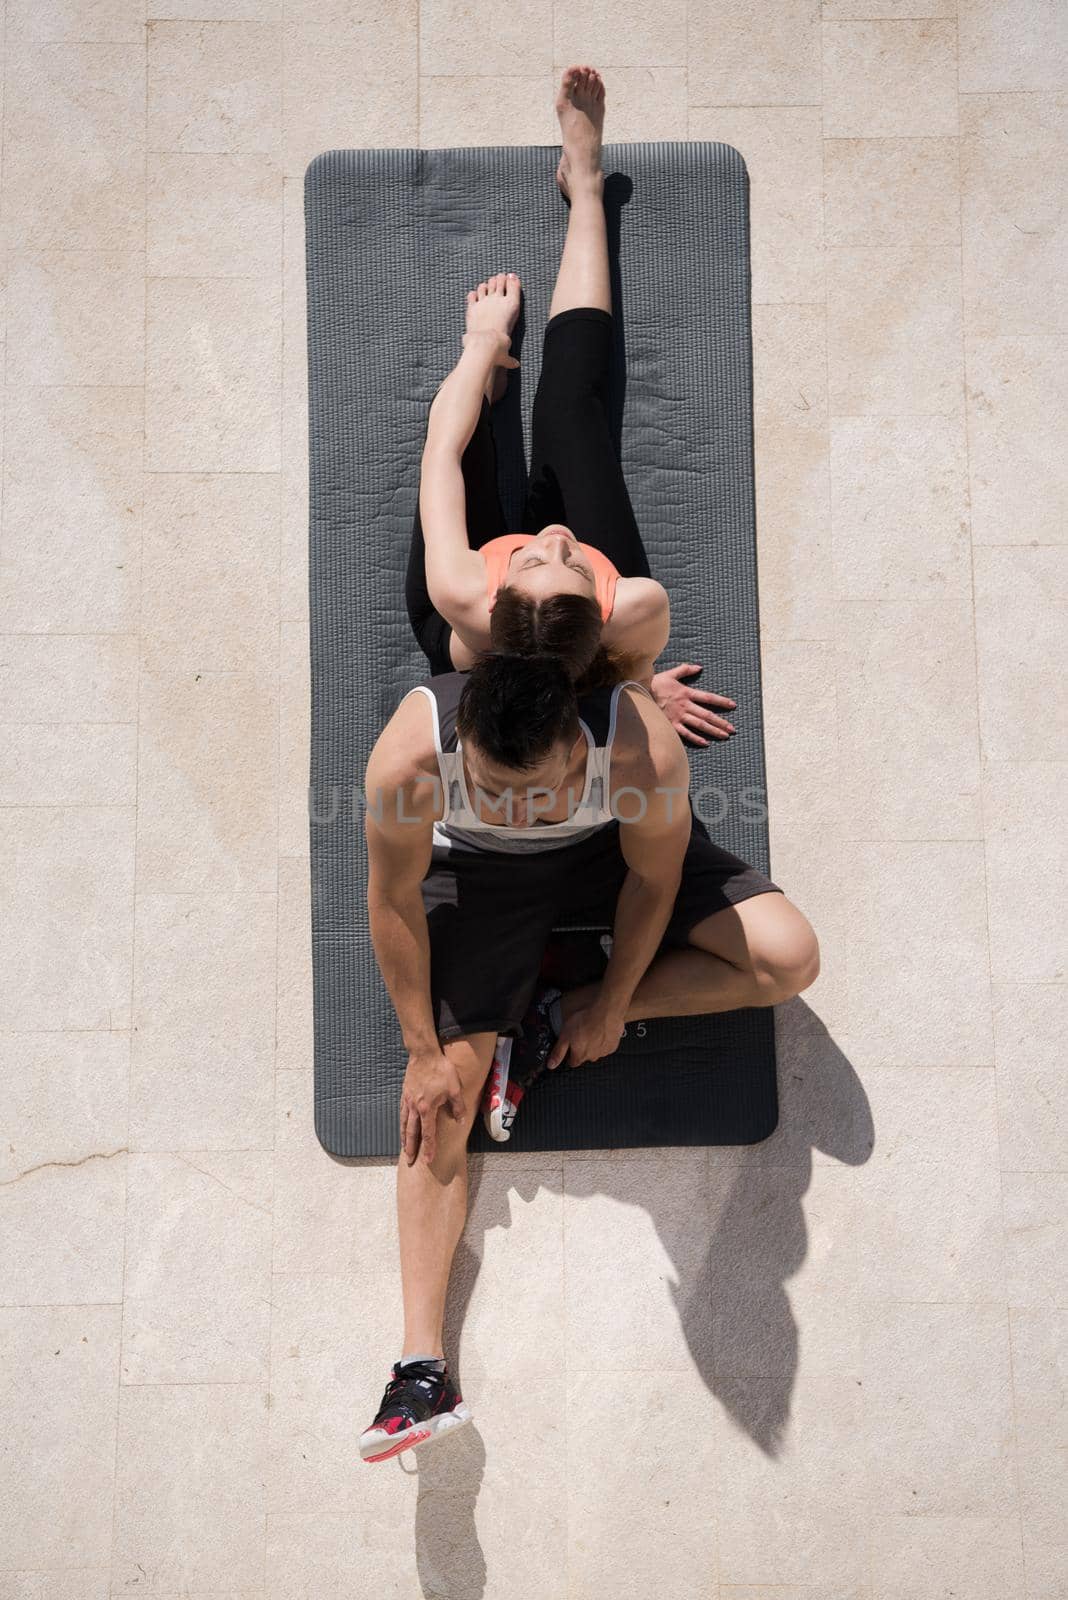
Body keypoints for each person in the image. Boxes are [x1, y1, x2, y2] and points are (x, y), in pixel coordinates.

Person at [356, 654, 820, 1463]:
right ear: (463, 743)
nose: (519, 808)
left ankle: (553, 1011)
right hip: (477, 874)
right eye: (496, 789)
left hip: (606, 853)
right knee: (438, 1104)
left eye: (537, 792)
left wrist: (611, 1004)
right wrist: (423, 1050)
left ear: (578, 747)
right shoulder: (410, 760)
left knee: (788, 960)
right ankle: (420, 1373)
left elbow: (654, 881)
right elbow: (391, 899)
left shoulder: (636, 751)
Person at [405, 64, 738, 748]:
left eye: (533, 559)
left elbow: (437, 446)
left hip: (470, 638)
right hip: (574, 653)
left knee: (466, 438)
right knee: (568, 406)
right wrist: (640, 693)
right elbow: (630, 659)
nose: (553, 537)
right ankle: (586, 190)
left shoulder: (460, 589)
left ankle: (493, 385)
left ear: (494, 592)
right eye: (576, 563)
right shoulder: (635, 604)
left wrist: (482, 342)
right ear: (598, 607)